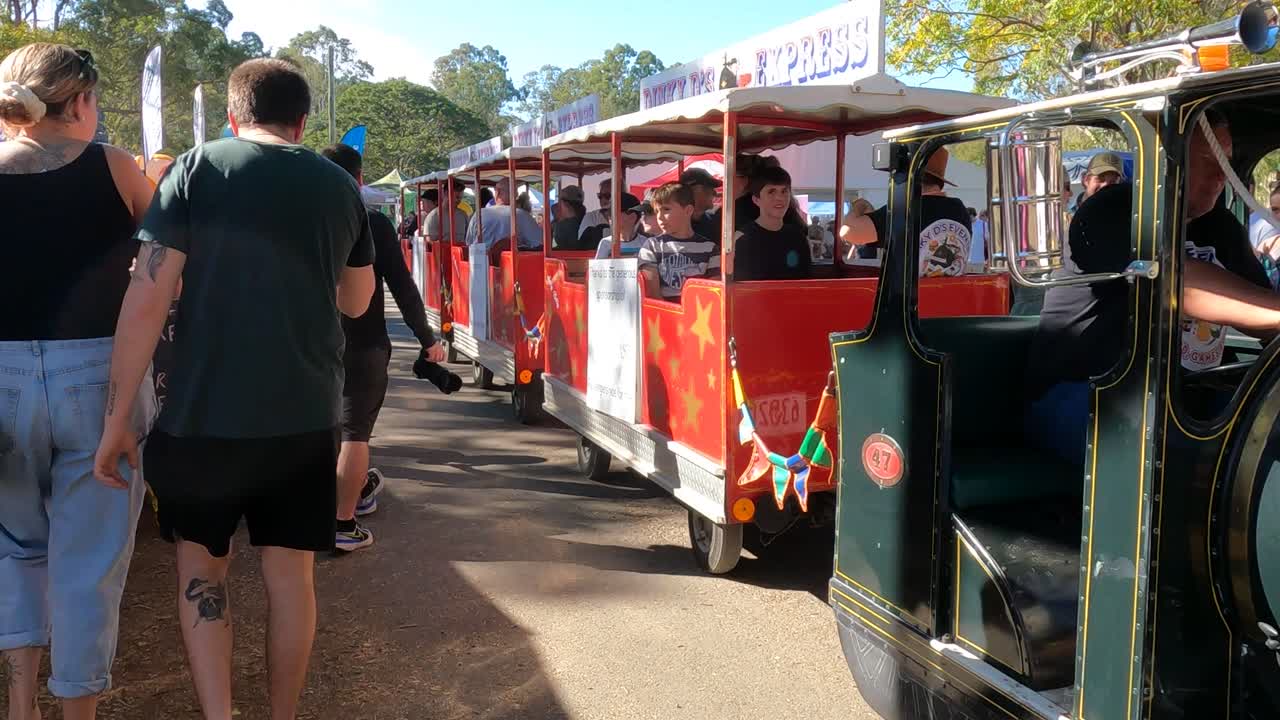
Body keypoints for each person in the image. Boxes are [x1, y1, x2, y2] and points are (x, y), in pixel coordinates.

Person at [92, 58, 376, 720]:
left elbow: (146, 299)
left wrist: (117, 417)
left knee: (202, 575)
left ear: (231, 116)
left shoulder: (195, 170)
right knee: (291, 580)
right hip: (304, 417)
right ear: (302, 121)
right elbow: (358, 302)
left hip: (201, 417)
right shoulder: (339, 185)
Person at [0, 42, 157, 720]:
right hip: (98, 378)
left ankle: (19, 703)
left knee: (13, 551)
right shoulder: (115, 167)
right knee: (88, 563)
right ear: (83, 100)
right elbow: (167, 268)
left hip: (2, 376)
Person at [1025, 110, 1280, 466]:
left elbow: (1261, 311)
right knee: (1177, 456)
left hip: (1187, 389)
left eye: (1226, 160)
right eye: (1209, 160)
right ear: (1165, 160)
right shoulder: (1111, 210)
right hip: (1084, 390)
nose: (1222, 174)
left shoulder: (1220, 225)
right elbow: (1179, 285)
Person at [320, 144, 450, 552]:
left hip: (311, 343)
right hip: (364, 344)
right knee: (355, 433)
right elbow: (402, 287)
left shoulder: (301, 221)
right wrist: (427, 339)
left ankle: (347, 497)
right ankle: (344, 524)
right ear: (359, 180)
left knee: (326, 428)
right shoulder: (373, 222)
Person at [840, 147, 972, 276]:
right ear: (940, 182)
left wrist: (858, 206)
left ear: (909, 178)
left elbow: (848, 232)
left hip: (909, 291)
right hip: (952, 290)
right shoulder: (959, 209)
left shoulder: (905, 209)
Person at [637, 182, 720, 299]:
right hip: (663, 310)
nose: (659, 217)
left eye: (666, 209)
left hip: (698, 309)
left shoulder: (710, 248)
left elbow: (713, 294)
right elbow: (653, 296)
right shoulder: (651, 246)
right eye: (657, 211)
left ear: (688, 211)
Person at [733, 166, 812, 281]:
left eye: (784, 191)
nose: (779, 197)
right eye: (771, 191)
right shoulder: (741, 239)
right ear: (756, 200)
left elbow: (805, 280)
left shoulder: (799, 238)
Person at [465, 177, 542, 261]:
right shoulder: (522, 215)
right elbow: (539, 243)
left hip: (479, 264)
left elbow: (469, 242)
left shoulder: (478, 214)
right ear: (515, 194)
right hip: (509, 265)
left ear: (497, 192)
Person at [595, 193, 650, 259]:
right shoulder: (605, 243)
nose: (609, 217)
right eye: (608, 213)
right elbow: (598, 265)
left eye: (613, 213)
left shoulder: (645, 243)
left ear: (632, 217)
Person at [680, 167, 722, 240]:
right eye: (710, 187)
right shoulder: (673, 223)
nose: (715, 193)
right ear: (695, 190)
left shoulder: (716, 221)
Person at [552, 184, 587, 249]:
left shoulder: (564, 226)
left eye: (559, 200)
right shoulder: (586, 220)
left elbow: (563, 249)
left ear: (566, 203)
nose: (558, 204)